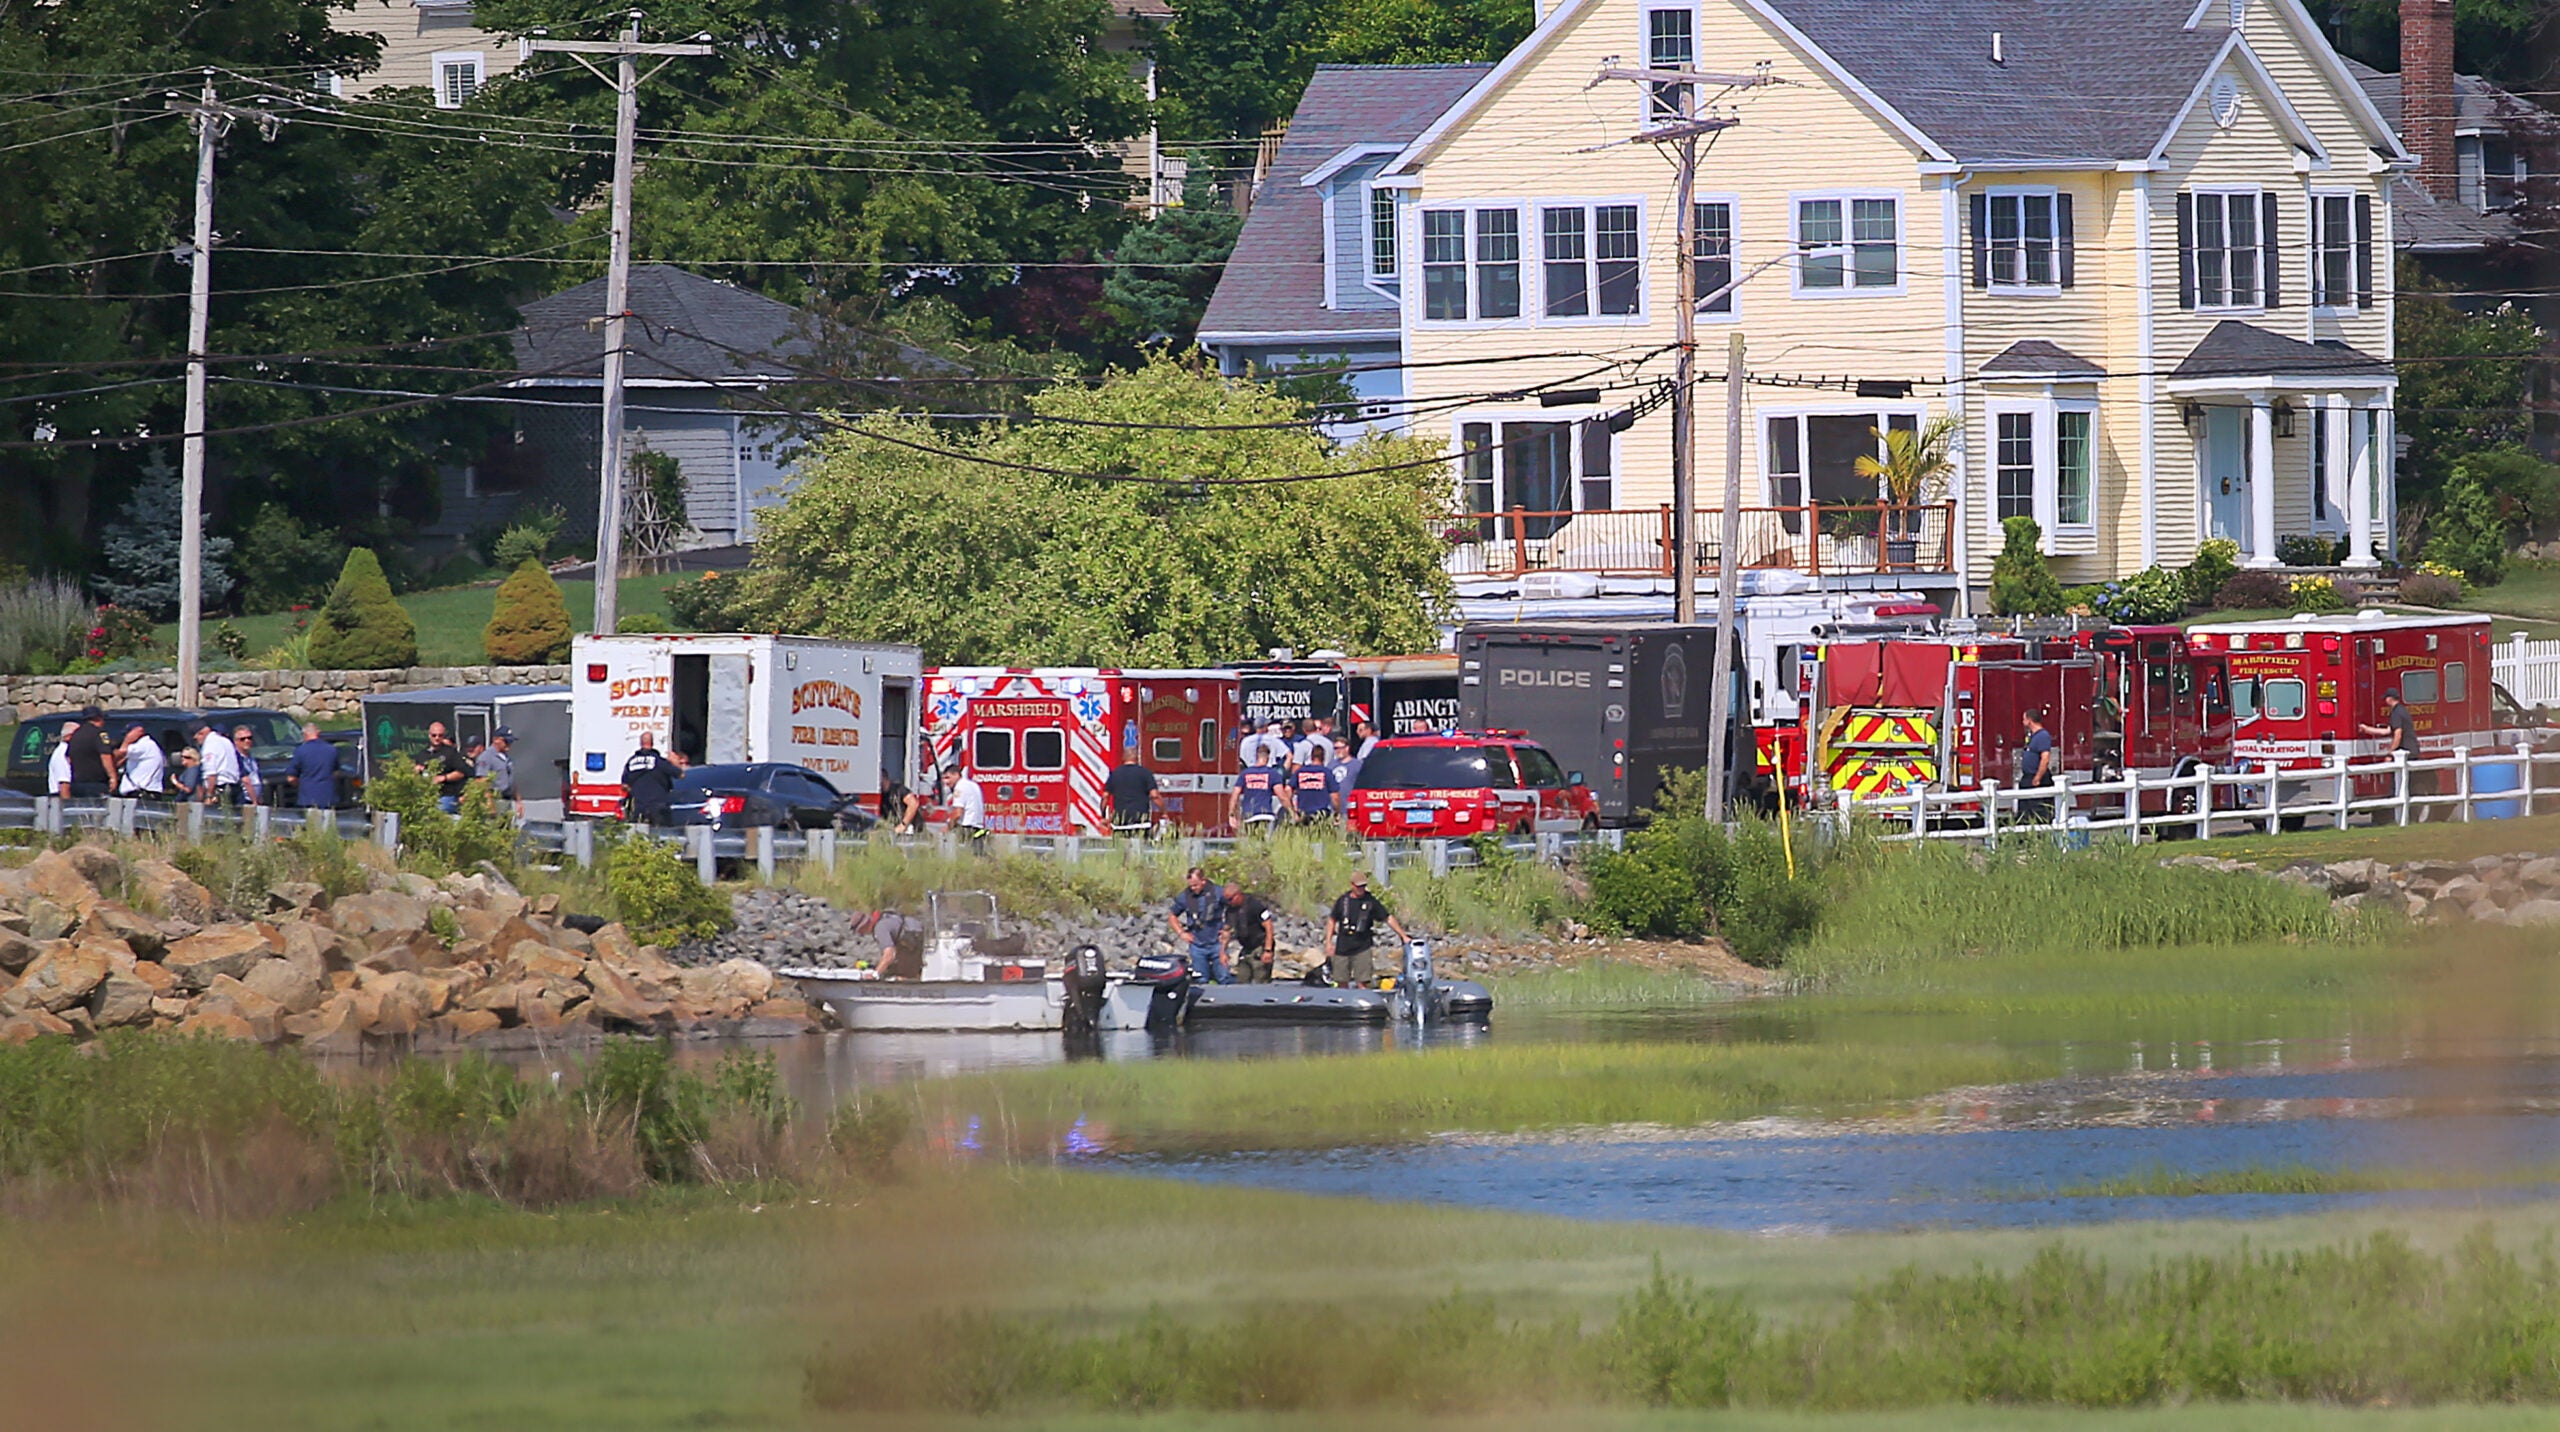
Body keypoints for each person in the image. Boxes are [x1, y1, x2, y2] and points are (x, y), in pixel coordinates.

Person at [1323, 870, 1410, 988]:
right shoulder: (1343, 901)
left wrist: (1403, 936)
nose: (1361, 889)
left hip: (1362, 947)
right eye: (1359, 886)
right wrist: (1328, 943)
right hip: (1343, 946)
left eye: (1363, 886)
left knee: (1363, 981)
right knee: (1341, 981)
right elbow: (1332, 920)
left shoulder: (1370, 901)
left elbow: (1387, 918)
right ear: (1352, 885)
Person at [2360, 688, 2430, 816]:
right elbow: (2387, 731)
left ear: (2390, 698)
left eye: (2386, 698)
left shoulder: (2396, 713)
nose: (2385, 701)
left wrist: (2390, 753)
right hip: (2412, 750)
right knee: (2403, 782)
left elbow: (2397, 734)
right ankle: (2400, 813)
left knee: (2398, 783)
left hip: (2406, 752)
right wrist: (2367, 729)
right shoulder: (2401, 711)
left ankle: (2398, 815)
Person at [1164, 866, 1228, 983]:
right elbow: (1172, 916)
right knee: (1200, 979)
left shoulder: (1218, 892)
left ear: (1203, 881)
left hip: (1217, 943)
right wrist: (1181, 933)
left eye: (1195, 885)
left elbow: (1232, 908)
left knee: (1224, 977)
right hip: (1197, 945)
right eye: (1191, 886)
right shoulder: (1184, 897)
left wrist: (1227, 930)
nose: (1193, 888)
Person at [1220, 882, 1282, 984]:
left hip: (1260, 946)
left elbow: (1269, 927)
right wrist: (1222, 952)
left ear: (1238, 894)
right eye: (1227, 900)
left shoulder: (1254, 905)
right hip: (1246, 948)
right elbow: (1227, 931)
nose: (1229, 902)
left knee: (1260, 980)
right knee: (1242, 980)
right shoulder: (1230, 910)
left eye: (1230, 899)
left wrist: (1268, 950)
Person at [621, 732, 678, 826]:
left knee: (638, 835)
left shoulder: (631, 761)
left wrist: (636, 792)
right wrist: (675, 762)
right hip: (658, 807)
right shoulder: (659, 761)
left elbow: (624, 785)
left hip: (638, 808)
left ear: (640, 743)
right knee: (661, 835)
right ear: (652, 743)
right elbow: (680, 775)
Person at [1104, 742, 1159, 835]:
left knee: (1121, 848)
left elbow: (1105, 796)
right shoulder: (1145, 773)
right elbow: (1155, 795)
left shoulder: (1115, 774)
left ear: (1123, 758)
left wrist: (1103, 815)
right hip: (1141, 823)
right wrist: (1163, 811)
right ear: (1136, 757)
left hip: (1120, 824)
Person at [63, 706, 113, 798]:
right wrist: (113, 777)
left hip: (77, 784)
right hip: (96, 784)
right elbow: (105, 756)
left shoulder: (76, 734)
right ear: (98, 718)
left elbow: (68, 757)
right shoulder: (99, 733)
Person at [291, 723, 342, 811]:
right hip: (328, 796)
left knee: (312, 823)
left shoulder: (300, 751)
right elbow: (336, 772)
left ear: (305, 734)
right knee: (328, 823)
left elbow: (291, 778)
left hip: (307, 798)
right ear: (318, 733)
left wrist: (300, 785)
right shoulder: (332, 750)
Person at [475, 726, 523, 820]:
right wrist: (489, 802)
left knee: (506, 831)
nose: (509, 744)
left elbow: (511, 780)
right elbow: (481, 781)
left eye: (510, 741)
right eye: (506, 741)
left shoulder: (506, 757)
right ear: (496, 740)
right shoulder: (486, 757)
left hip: (507, 800)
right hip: (495, 800)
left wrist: (518, 801)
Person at [422, 722, 470, 814]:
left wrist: (443, 778)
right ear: (429, 735)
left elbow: (461, 773)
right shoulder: (423, 754)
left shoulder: (451, 752)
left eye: (440, 735)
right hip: (426, 795)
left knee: (439, 812)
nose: (437, 738)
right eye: (434, 735)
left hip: (446, 795)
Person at [2018, 709, 2056, 824]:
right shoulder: (2033, 737)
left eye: (2024, 719)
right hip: (2028, 778)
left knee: (2038, 810)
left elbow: (2045, 758)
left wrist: (2038, 777)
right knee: (2025, 811)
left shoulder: (2042, 736)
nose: (2023, 722)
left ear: (2030, 720)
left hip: (2036, 779)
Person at [195, 719, 243, 806]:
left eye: (198, 735)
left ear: (202, 733)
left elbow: (211, 773)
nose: (196, 738)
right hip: (234, 787)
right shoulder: (226, 741)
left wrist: (209, 796)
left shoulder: (209, 745)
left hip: (220, 789)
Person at [1231, 753, 1283, 833]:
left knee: (1251, 842)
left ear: (1256, 757)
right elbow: (1281, 796)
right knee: (1267, 843)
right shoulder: (1272, 773)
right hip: (1266, 815)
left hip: (1249, 815)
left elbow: (1235, 795)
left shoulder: (1245, 773)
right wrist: (1292, 811)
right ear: (1268, 758)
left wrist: (1232, 815)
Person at [116, 723, 167, 799]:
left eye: (127, 734)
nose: (125, 736)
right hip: (143, 792)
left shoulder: (144, 745)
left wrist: (127, 741)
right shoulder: (148, 746)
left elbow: (121, 753)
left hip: (142, 793)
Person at [1290, 752, 1337, 825]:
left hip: (1303, 814)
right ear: (1323, 758)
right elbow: (1335, 796)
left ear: (1311, 757)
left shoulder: (1300, 772)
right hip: (1322, 815)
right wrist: (1337, 812)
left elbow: (1288, 789)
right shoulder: (1326, 772)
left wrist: (1292, 809)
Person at [946, 765, 987, 846]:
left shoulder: (959, 787)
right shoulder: (973, 784)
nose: (946, 782)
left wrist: (948, 826)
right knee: (978, 854)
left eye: (948, 778)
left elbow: (958, 813)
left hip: (967, 827)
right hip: (978, 825)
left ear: (956, 775)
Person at [233, 726, 264, 807]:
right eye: (242, 739)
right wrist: (255, 802)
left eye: (249, 738)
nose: (247, 741)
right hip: (245, 800)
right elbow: (246, 781)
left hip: (255, 799)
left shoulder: (251, 758)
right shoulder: (236, 758)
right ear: (236, 741)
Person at [44, 721, 76, 800]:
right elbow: (64, 784)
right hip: (58, 800)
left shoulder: (66, 751)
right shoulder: (62, 754)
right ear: (68, 737)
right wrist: (68, 808)